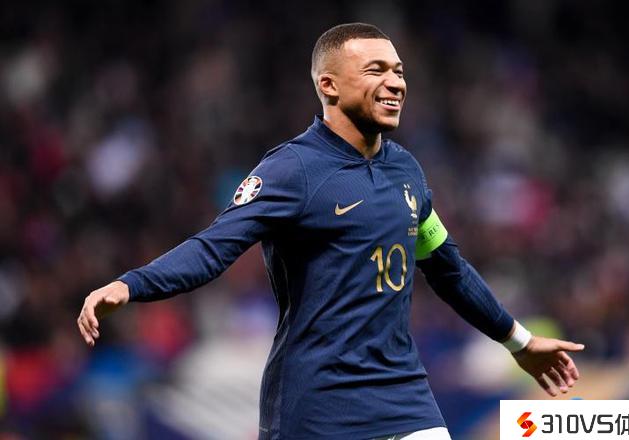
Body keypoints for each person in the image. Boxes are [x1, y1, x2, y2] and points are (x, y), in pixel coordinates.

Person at [77, 23, 584, 440]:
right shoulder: (291, 171)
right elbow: (213, 248)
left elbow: (446, 267)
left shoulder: (406, 172)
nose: (396, 82)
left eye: (399, 71)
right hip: (317, 405)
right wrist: (131, 284)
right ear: (329, 86)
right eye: (376, 70)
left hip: (403, 395)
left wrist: (518, 341)